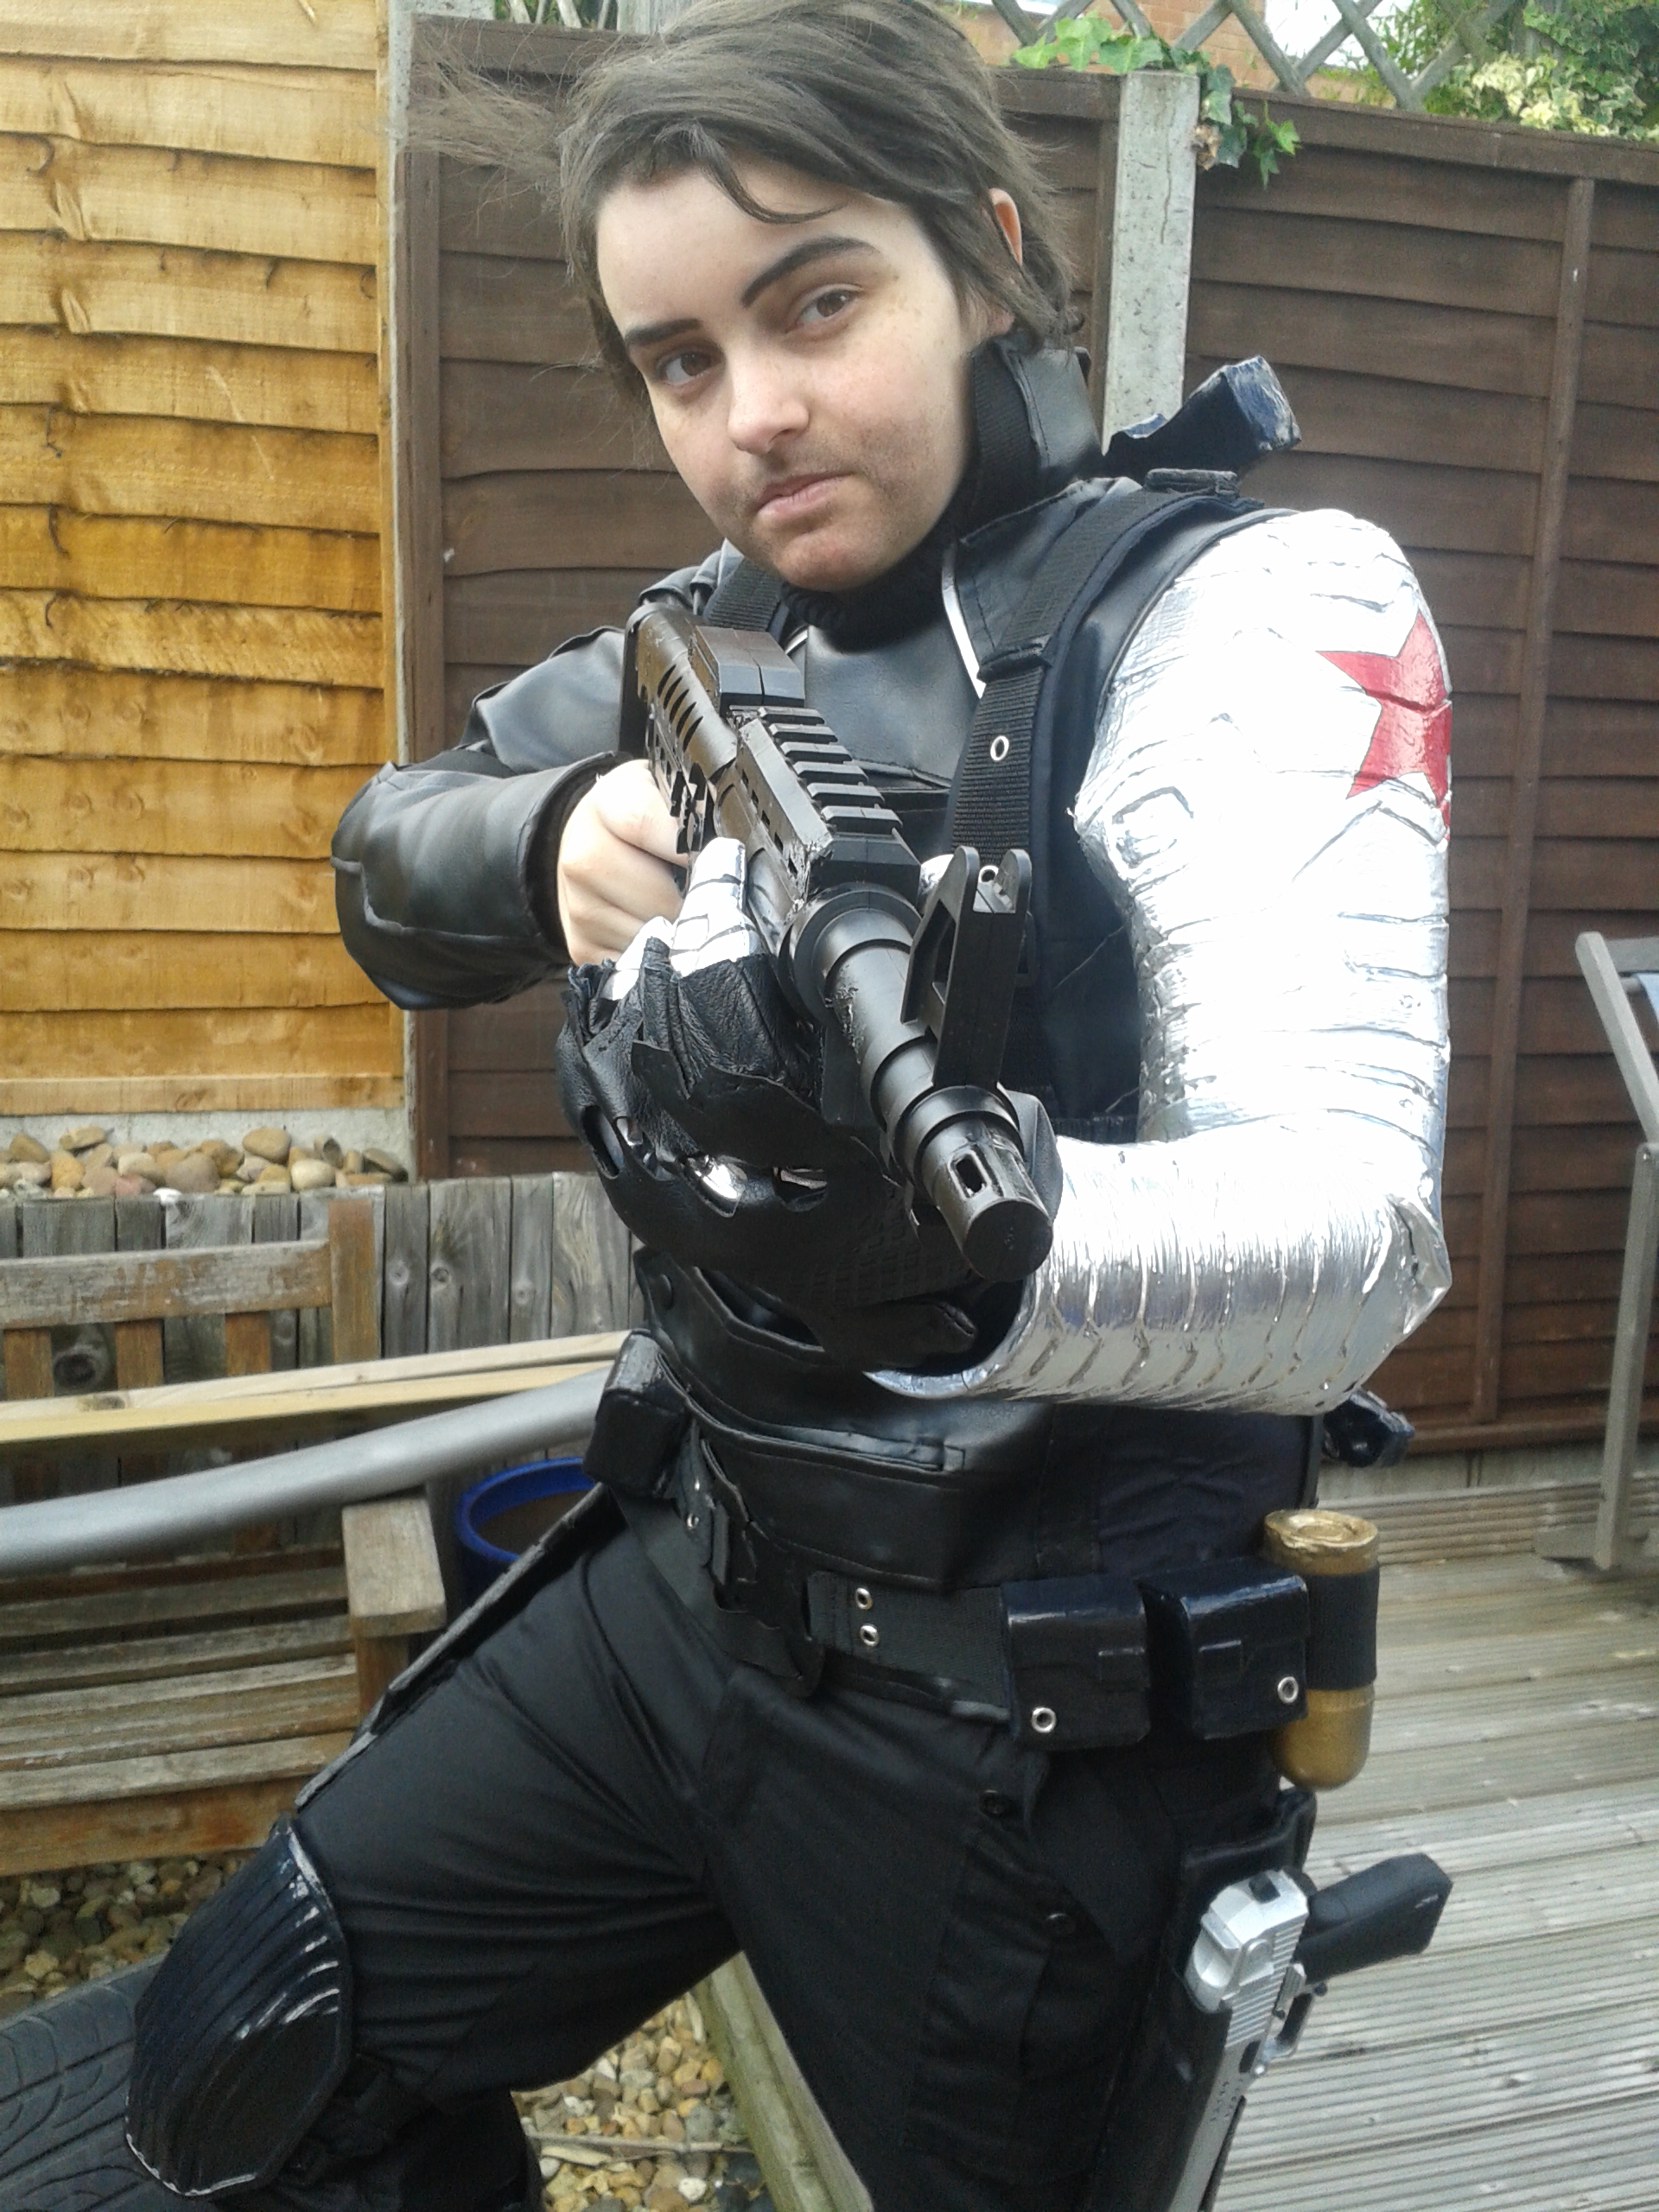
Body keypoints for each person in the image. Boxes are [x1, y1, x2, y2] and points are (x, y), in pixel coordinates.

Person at [6, 3, 1451, 2209]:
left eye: (818, 303)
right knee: (245, 2063)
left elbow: (1352, 1239)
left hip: (1032, 1721)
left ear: (986, 255)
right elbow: (388, 861)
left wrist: (953, 1249)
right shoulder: (705, 633)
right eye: (679, 359)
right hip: (682, 1578)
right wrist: (554, 829)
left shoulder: (1245, 609)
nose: (752, 410)